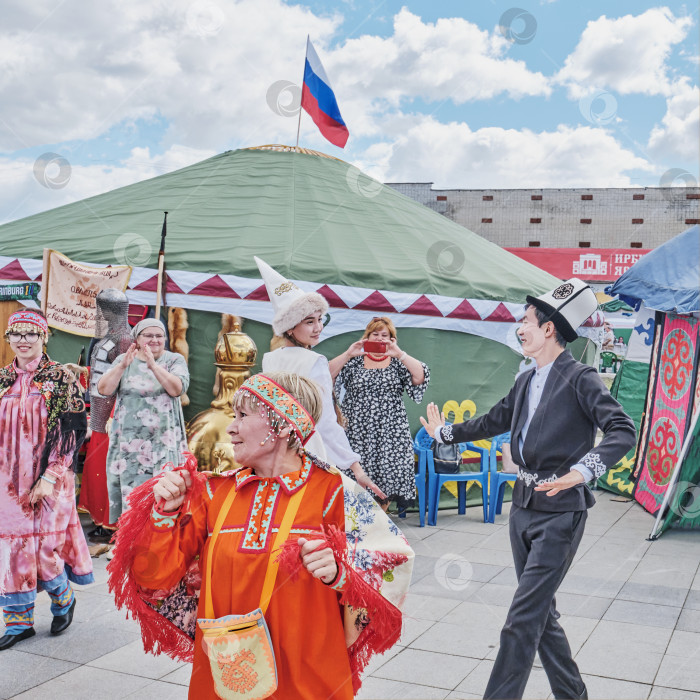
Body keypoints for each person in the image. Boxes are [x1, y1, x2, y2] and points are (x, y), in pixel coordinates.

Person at [108, 371, 414, 699]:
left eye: (242, 415)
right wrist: (164, 514)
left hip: (308, 683)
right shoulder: (213, 493)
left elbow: (395, 559)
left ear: (283, 425)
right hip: (225, 680)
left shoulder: (335, 492)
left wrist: (343, 570)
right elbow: (153, 577)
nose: (231, 427)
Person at [421, 278, 636, 700]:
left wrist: (583, 470)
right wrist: (444, 433)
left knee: (521, 620)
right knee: (541, 616)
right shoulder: (525, 380)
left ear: (549, 328)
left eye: (525, 321)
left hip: (560, 513)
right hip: (522, 509)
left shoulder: (581, 378)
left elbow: (622, 429)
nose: (520, 327)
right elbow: (491, 422)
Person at [0, 309, 94, 650]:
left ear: (44, 338)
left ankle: (63, 599)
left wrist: (50, 476)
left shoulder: (60, 378)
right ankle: (18, 621)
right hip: (8, 484)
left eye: (31, 334)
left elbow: (73, 430)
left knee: (44, 549)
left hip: (50, 479)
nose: (23, 341)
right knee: (12, 550)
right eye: (17, 334)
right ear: (9, 338)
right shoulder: (1, 380)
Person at [255, 256, 385, 499]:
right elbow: (325, 422)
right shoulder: (314, 361)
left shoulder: (270, 360)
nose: (318, 328)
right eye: (309, 321)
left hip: (274, 454)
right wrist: (356, 467)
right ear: (290, 327)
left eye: (319, 320)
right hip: (308, 455)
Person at [330, 316, 429, 510]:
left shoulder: (397, 362)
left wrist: (399, 353)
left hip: (390, 431)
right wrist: (348, 353)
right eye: (375, 334)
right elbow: (326, 375)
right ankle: (360, 522)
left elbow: (420, 376)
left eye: (385, 335)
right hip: (357, 430)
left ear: (392, 339)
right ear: (367, 336)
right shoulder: (354, 362)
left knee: (387, 479)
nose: (380, 338)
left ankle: (378, 521)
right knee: (354, 479)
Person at [98, 318, 189, 523]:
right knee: (130, 495)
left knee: (164, 492)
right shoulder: (125, 359)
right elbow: (104, 389)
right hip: (129, 444)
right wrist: (122, 366)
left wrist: (153, 366)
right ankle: (128, 544)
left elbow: (177, 389)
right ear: (137, 339)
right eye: (148, 335)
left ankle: (158, 542)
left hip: (162, 442)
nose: (155, 339)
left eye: (159, 335)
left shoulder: (174, 360)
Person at [79, 288, 132, 537]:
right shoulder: (108, 336)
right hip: (99, 414)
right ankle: (100, 521)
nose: (101, 313)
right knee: (96, 470)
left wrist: (112, 415)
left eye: (104, 308)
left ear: (113, 311)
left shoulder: (125, 339)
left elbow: (125, 380)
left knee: (108, 473)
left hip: (111, 416)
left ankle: (111, 524)